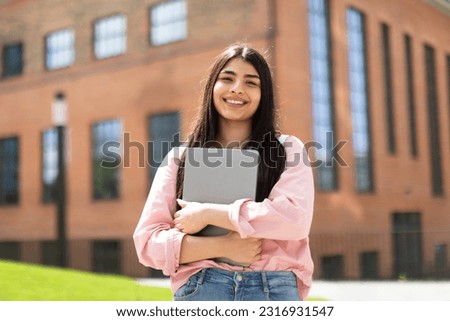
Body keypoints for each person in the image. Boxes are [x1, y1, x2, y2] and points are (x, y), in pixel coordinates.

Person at [133, 43, 314, 301]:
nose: (237, 88)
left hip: (272, 289)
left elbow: (294, 219)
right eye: (227, 78)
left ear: (264, 95)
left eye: (251, 82)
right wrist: (222, 246)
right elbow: (147, 244)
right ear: (212, 88)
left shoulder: (288, 149)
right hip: (203, 287)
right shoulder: (179, 159)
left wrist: (209, 213)